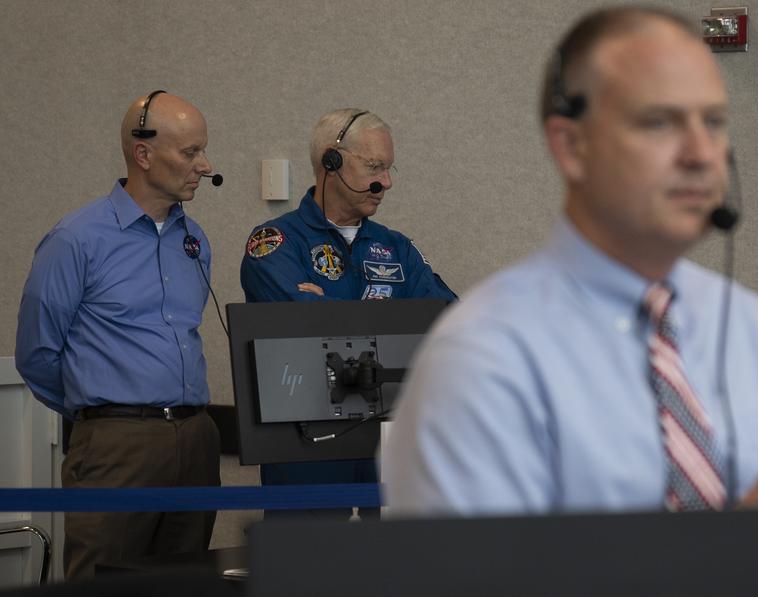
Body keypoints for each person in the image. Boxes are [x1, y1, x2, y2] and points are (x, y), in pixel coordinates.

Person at [383, 6, 758, 516]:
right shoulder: (483, 359)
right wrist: (730, 557)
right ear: (571, 145)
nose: (701, 153)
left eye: (714, 121)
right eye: (659, 122)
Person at [16, 91, 221, 579]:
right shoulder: (77, 239)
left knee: (187, 580)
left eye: (202, 150)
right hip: (114, 445)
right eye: (190, 152)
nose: (204, 165)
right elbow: (37, 354)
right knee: (104, 580)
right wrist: (104, 416)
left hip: (195, 438)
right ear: (144, 154)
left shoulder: (194, 241)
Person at [240, 108, 456, 518]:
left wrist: (325, 306)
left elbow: (446, 320)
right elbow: (300, 328)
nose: (386, 183)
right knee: (308, 573)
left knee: (389, 575)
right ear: (330, 162)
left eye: (390, 169)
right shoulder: (276, 243)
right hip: (306, 448)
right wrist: (390, 320)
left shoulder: (396, 248)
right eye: (375, 167)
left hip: (388, 446)